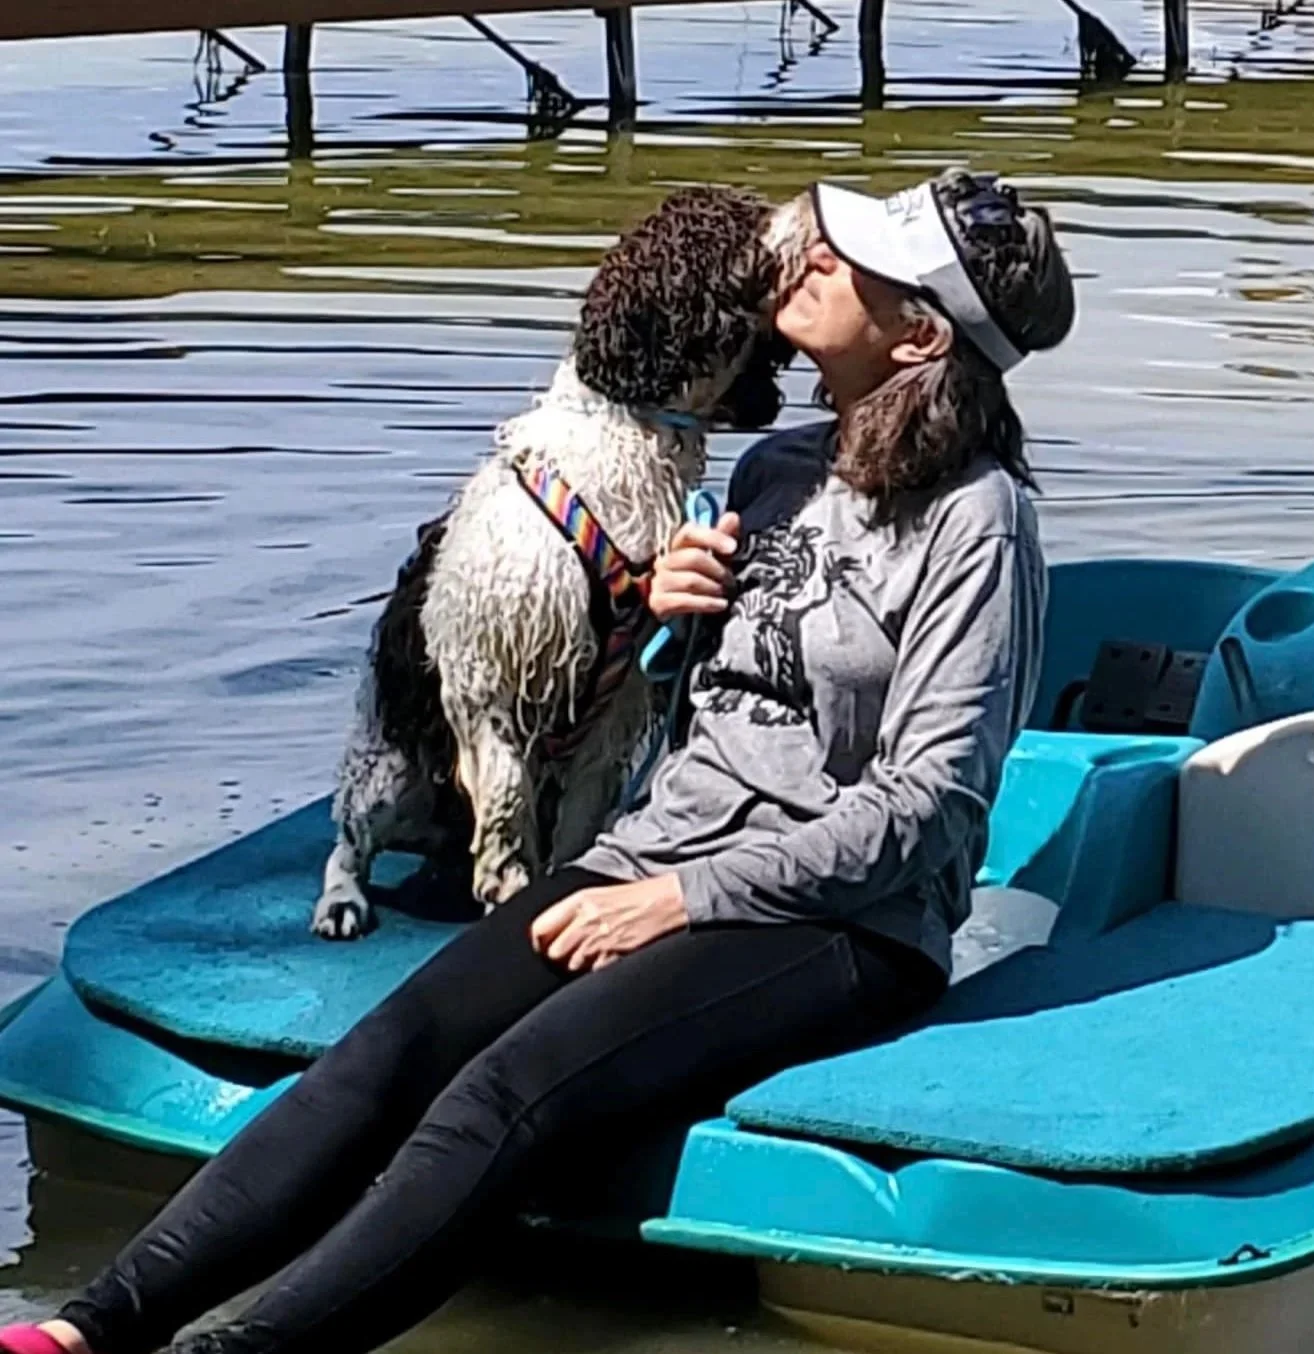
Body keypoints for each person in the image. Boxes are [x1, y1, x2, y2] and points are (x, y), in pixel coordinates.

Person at [0, 167, 1075, 1354]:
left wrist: (679, 901)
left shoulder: (981, 520)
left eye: (858, 262)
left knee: (499, 1098)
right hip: (649, 858)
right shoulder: (779, 469)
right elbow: (718, 716)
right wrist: (670, 621)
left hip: (841, 923)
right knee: (387, 1052)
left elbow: (931, 808)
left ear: (919, 336)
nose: (815, 256)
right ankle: (85, 1332)